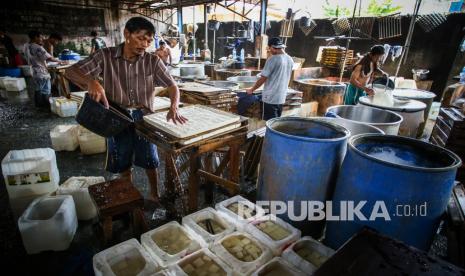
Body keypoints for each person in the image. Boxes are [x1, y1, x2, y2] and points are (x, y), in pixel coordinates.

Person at [65, 17, 187, 202]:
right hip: (116, 115)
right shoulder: (105, 56)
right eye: (140, 38)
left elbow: (172, 86)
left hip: (143, 116)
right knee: (122, 158)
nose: (144, 44)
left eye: (149, 40)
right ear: (127, 34)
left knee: (149, 158)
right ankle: (128, 193)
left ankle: (155, 194)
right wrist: (91, 82)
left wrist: (174, 106)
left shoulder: (152, 61)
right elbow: (71, 71)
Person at [246, 37, 293, 120]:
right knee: (276, 123)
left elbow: (263, 78)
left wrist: (252, 89)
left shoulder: (273, 59)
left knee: (268, 123)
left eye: (269, 48)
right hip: (281, 97)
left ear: (273, 47)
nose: (269, 50)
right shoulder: (290, 59)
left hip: (270, 98)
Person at [24, 31, 64, 108]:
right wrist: (61, 61)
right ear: (36, 37)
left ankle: (38, 106)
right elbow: (49, 57)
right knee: (46, 90)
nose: (41, 39)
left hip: (33, 70)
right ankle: (47, 106)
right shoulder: (38, 47)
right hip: (41, 71)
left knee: (38, 89)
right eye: (40, 37)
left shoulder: (26, 45)